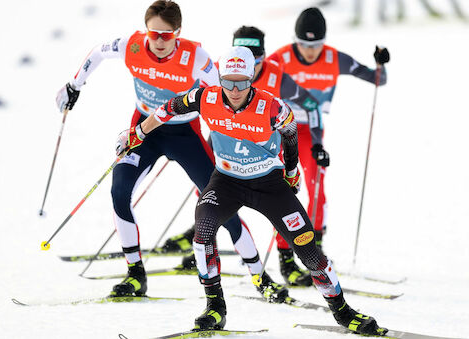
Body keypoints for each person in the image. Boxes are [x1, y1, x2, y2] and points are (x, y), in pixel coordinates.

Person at [117, 46, 388, 335]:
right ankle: (214, 308)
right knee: (203, 233)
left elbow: (291, 133)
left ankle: (343, 311)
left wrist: (292, 171)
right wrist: (139, 133)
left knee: (308, 250)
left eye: (242, 82)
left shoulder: (271, 106)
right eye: (229, 82)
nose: (235, 90)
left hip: (268, 184)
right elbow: (168, 108)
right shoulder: (204, 97)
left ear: (251, 80)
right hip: (226, 182)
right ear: (220, 79)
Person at [55, 0, 286, 301]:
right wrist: (74, 85)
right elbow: (99, 52)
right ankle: (135, 274)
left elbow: (220, 98)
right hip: (144, 130)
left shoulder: (196, 57)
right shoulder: (132, 46)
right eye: (154, 34)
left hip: (184, 134)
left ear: (178, 32)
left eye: (168, 35)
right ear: (146, 30)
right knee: (119, 191)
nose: (160, 41)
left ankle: (260, 276)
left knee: (223, 206)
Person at [163, 25, 324, 287]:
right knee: (206, 192)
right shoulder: (221, 69)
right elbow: (195, 95)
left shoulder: (275, 77)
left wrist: (316, 142)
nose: (252, 63)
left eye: (257, 56)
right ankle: (204, 245)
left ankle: (287, 261)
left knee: (283, 205)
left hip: (263, 151)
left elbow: (310, 105)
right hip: (226, 142)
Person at [267, 7, 390, 260]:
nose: (310, 51)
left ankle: (315, 244)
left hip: (313, 133)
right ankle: (284, 251)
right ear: (295, 40)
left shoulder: (335, 59)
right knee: (282, 188)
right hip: (281, 129)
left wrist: (380, 63)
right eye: (303, 44)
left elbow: (377, 79)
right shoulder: (281, 58)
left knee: (315, 187)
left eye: (317, 45)